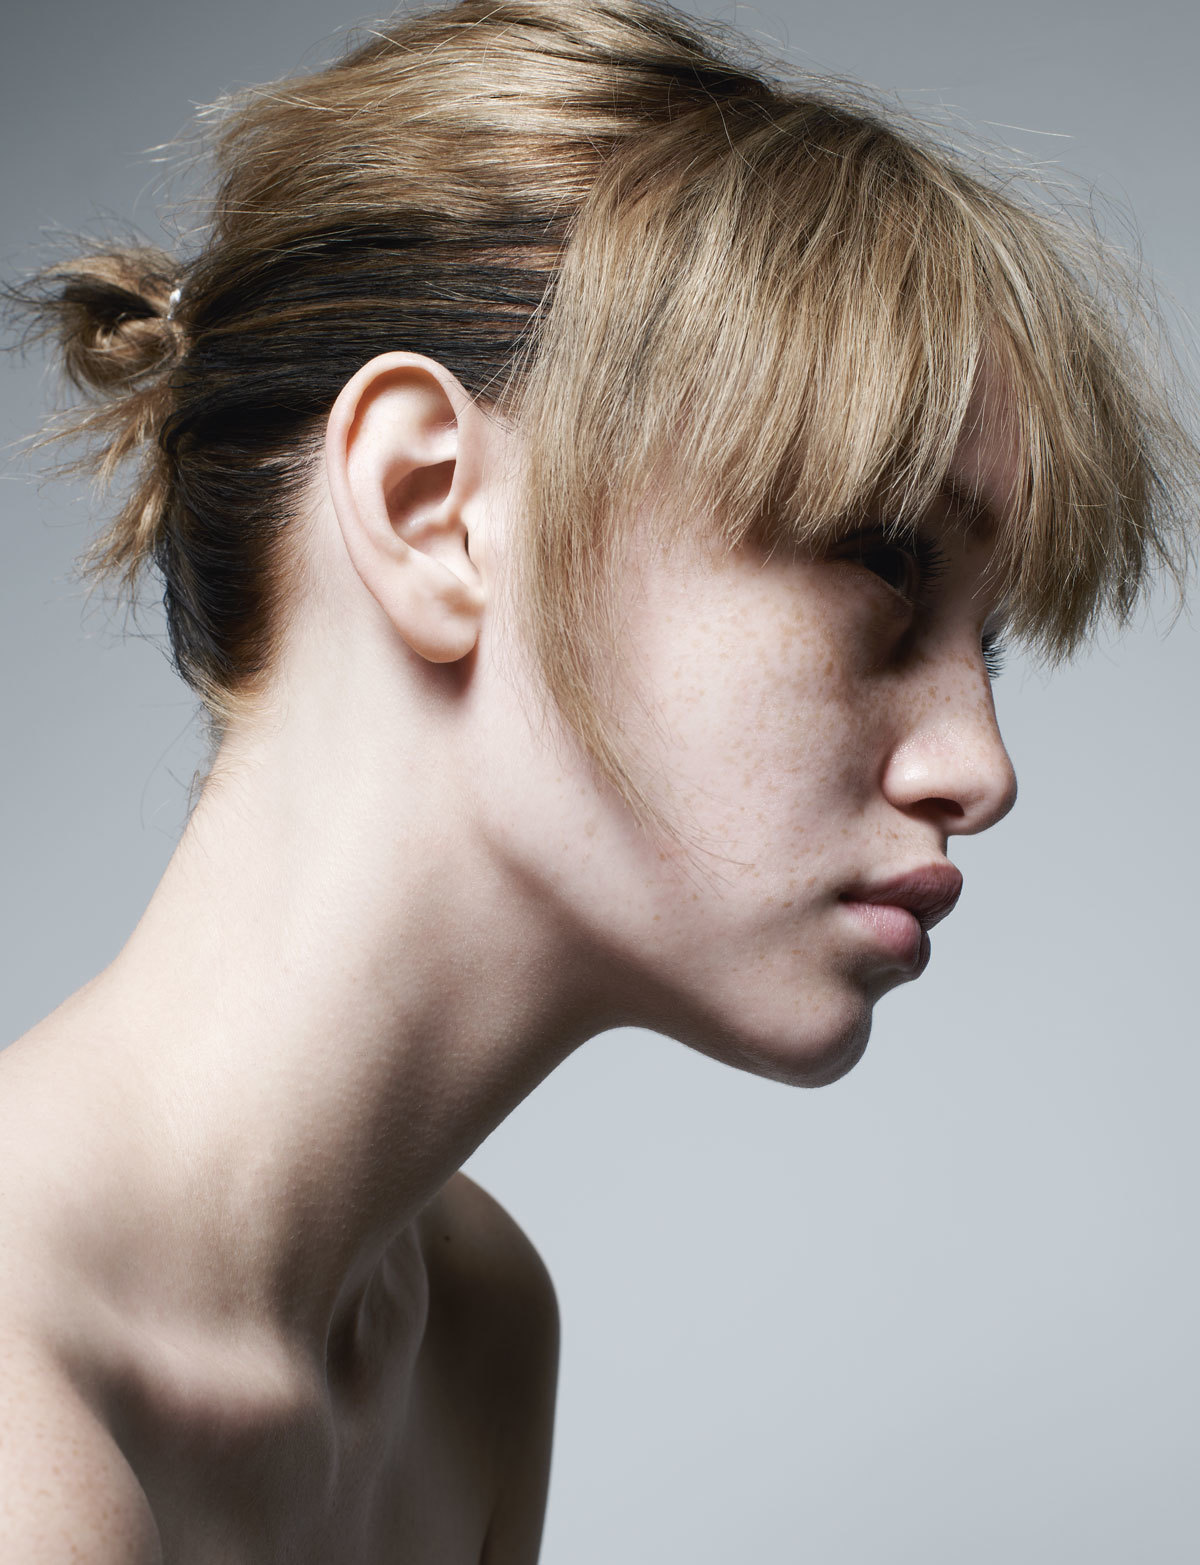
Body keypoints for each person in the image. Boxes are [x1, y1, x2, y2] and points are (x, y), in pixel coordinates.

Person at [0, 0, 1193, 1560]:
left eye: (994, 644)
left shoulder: (473, 1334)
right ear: (430, 508)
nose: (981, 767)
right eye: (883, 566)